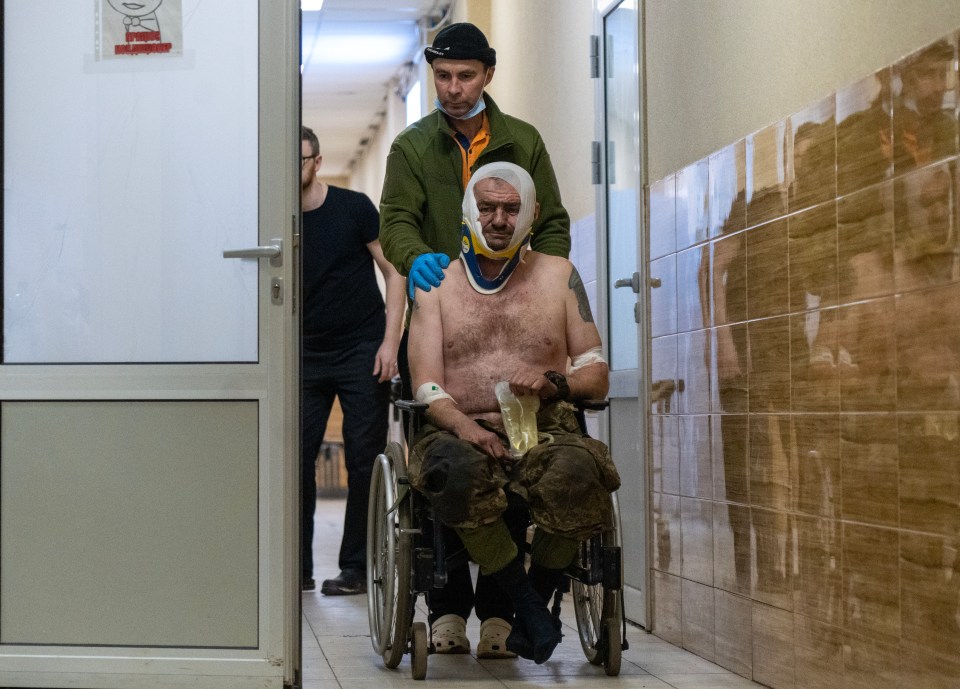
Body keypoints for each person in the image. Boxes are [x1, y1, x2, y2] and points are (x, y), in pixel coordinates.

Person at [379, 20, 572, 658]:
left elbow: (553, 221)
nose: (453, 89)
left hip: (513, 331)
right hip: (443, 322)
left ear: (488, 75)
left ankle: (498, 611)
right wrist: (415, 260)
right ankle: (448, 607)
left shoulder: (523, 141)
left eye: (465, 76)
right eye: (442, 76)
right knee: (448, 466)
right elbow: (396, 219)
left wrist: (539, 285)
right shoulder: (413, 147)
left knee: (517, 459)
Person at [407, 162, 620, 664]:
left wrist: (556, 383)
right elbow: (427, 386)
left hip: (545, 427)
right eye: (487, 207)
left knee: (580, 473)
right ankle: (530, 607)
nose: (498, 219)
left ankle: (528, 607)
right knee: (454, 472)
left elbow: (596, 372)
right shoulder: (436, 284)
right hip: (462, 427)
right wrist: (465, 428)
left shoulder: (558, 276)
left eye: (510, 208)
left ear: (531, 213)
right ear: (468, 212)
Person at [300, 125, 405, 595]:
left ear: (317, 161)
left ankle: (357, 567)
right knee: (295, 459)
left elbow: (393, 271)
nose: (291, 169)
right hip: (303, 352)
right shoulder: (275, 215)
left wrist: (390, 342)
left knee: (364, 459)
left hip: (362, 345)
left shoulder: (353, 207)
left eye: (299, 160)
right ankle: (296, 568)